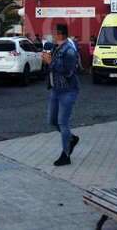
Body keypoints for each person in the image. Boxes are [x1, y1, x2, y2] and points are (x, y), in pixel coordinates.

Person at [42, 24, 80, 166]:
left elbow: (68, 72)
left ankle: (66, 155)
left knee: (63, 123)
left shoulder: (69, 50)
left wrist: (50, 62)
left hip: (67, 91)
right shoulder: (56, 47)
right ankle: (71, 138)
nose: (52, 35)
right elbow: (52, 68)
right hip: (55, 90)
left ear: (60, 34)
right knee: (52, 121)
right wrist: (47, 60)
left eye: (54, 33)